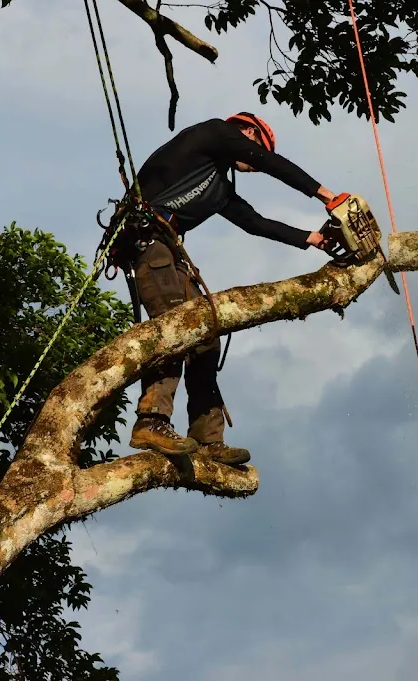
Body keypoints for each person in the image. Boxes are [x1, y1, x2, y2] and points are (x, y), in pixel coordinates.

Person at [124, 112, 338, 466]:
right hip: (146, 240)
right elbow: (269, 162)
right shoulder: (213, 132)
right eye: (256, 148)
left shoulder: (218, 187)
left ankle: (208, 440)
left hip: (169, 248)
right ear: (248, 131)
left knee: (206, 335)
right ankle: (151, 421)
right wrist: (325, 194)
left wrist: (313, 239)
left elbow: (255, 222)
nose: (253, 164)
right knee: (176, 326)